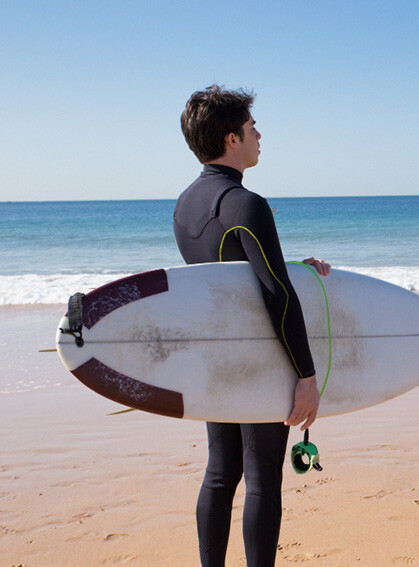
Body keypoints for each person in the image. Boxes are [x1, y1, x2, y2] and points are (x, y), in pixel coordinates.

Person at [174, 84, 330, 567]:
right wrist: (306, 375)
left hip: (216, 361)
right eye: (251, 127)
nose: (260, 134)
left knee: (221, 473)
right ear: (230, 140)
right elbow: (273, 296)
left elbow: (234, 280)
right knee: (263, 476)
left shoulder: (185, 204)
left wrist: (294, 268)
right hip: (260, 363)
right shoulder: (246, 203)